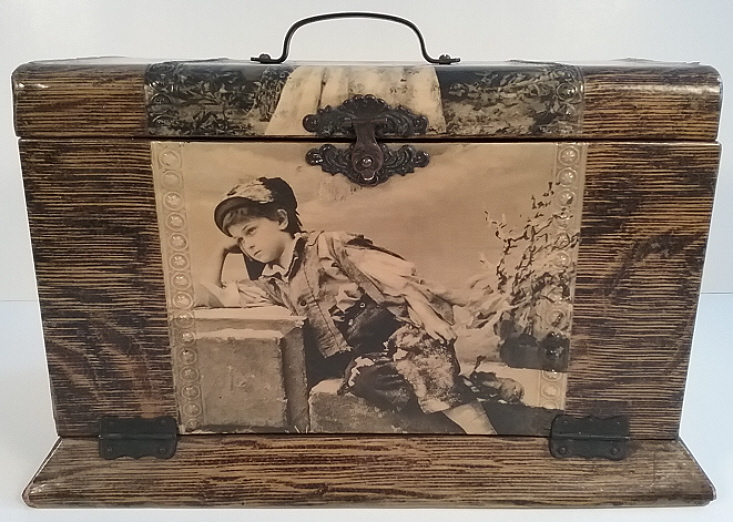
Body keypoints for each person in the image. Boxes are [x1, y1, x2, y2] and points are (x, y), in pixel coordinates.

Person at [199, 176, 496, 435]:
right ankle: (461, 396)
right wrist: (220, 250)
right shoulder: (272, 283)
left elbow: (398, 280)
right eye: (239, 241)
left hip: (396, 336)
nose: (247, 245)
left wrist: (429, 317)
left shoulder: (329, 246)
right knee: (364, 378)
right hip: (361, 357)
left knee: (418, 361)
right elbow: (209, 297)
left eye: (251, 231)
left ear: (280, 219)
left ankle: (483, 433)